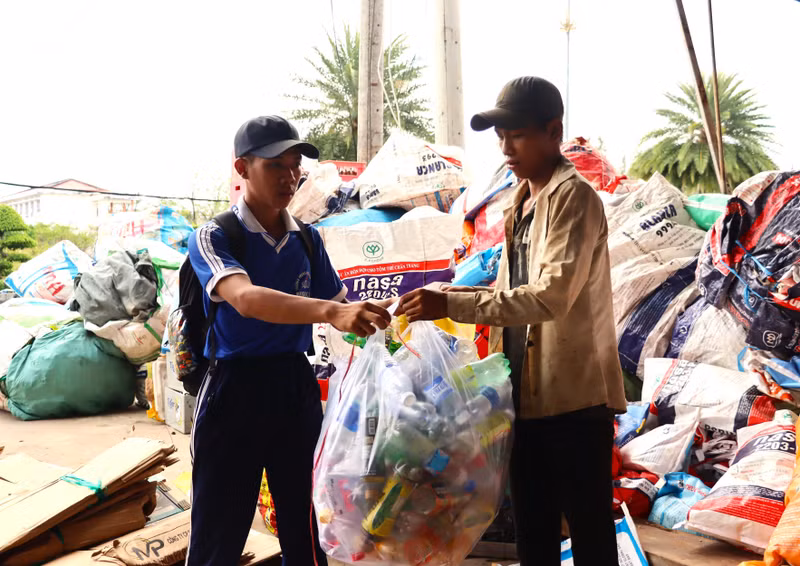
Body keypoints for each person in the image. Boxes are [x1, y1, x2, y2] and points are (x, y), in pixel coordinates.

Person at [396, 77, 626, 566]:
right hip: (522, 397)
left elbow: (549, 299)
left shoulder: (574, 198)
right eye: (500, 136)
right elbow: (507, 292)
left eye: (517, 135)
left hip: (574, 402)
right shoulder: (521, 200)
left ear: (553, 131)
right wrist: (446, 293)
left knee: (589, 534)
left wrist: (454, 306)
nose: (505, 148)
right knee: (533, 530)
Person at [186, 115, 392, 566]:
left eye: (295, 164)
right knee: (218, 532)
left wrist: (390, 321)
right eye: (275, 165)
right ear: (242, 169)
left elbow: (342, 309)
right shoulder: (215, 236)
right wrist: (332, 311)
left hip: (292, 387)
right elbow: (244, 298)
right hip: (232, 392)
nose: (289, 176)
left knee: (307, 528)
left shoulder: (307, 240)